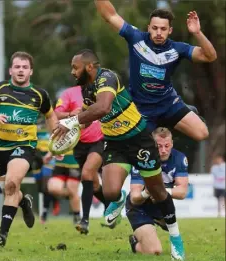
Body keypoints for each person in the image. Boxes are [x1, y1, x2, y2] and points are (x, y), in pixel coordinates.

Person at [54, 49, 185, 260]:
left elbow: (104, 108)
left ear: (89, 67)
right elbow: (89, 116)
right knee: (110, 191)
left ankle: (176, 238)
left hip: (139, 139)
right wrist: (70, 131)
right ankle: (119, 199)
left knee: (158, 192)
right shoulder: (86, 89)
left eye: (75, 67)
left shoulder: (108, 77)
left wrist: (71, 121)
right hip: (114, 144)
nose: (72, 72)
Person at [94, 1, 216, 138]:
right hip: (140, 110)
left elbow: (210, 56)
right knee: (142, 151)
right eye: (155, 28)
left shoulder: (178, 49)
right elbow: (109, 16)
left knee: (202, 134)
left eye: (163, 29)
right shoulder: (136, 38)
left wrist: (197, 33)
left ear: (170, 30)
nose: (158, 33)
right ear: (149, 28)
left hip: (168, 104)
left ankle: (175, 118)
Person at [0, 51, 58, 247]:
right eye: (17, 67)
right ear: (10, 70)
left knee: (12, 182)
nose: (21, 70)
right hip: (0, 147)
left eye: (25, 67)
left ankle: (2, 234)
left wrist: (56, 140)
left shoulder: (40, 94)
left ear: (31, 71)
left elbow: (51, 116)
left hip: (24, 146)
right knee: (10, 189)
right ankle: (24, 202)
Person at [54, 85, 110, 234]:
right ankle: (110, 205)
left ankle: (84, 220)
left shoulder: (103, 91)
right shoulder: (69, 93)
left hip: (100, 141)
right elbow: (56, 115)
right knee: (94, 183)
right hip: (78, 144)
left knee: (86, 173)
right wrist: (71, 114)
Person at [127, 127, 189, 256]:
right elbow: (134, 197)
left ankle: (159, 222)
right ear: (153, 144)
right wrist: (147, 193)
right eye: (159, 146)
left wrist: (161, 191)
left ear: (171, 143)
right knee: (155, 251)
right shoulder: (142, 157)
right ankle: (135, 244)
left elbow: (182, 192)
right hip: (140, 208)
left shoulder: (179, 158)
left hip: (161, 204)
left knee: (169, 225)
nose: (163, 150)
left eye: (167, 145)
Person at [31, 117, 60, 224]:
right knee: (40, 188)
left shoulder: (53, 125)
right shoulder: (34, 124)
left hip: (49, 159)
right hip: (37, 159)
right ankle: (54, 199)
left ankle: (44, 214)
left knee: (46, 186)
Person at [44, 149, 81, 225]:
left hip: (74, 163)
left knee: (72, 189)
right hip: (59, 164)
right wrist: (49, 154)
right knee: (52, 188)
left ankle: (77, 216)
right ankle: (70, 196)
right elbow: (57, 142)